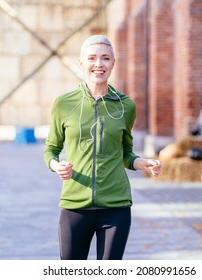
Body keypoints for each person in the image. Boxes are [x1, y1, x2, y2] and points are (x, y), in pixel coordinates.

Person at [44, 34, 162, 260]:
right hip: (74, 205)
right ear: (82, 63)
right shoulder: (64, 103)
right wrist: (56, 165)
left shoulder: (125, 106)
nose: (99, 64)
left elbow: (126, 154)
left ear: (113, 64)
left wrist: (142, 163)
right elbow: (51, 148)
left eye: (105, 58)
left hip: (116, 206)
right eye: (92, 58)